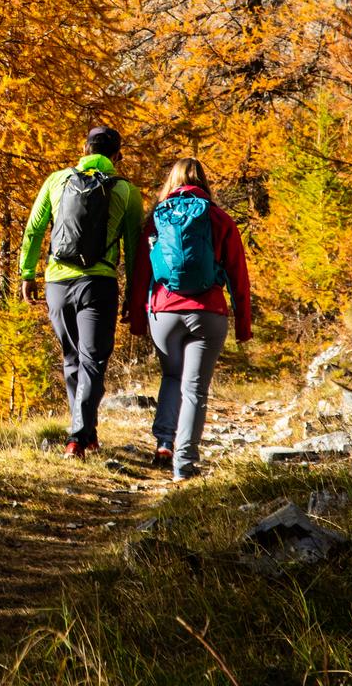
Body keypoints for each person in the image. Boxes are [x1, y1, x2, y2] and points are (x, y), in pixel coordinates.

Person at [19, 126, 144, 459]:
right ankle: (78, 436)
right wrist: (133, 294)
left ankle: (86, 435)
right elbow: (134, 250)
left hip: (57, 283)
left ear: (84, 149)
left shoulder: (56, 181)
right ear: (117, 156)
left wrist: (28, 273)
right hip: (98, 285)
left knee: (72, 360)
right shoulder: (127, 192)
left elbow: (33, 231)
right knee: (94, 362)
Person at [125, 158, 253, 481]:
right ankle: (184, 464)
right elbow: (239, 276)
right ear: (204, 182)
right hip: (208, 313)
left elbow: (142, 273)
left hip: (164, 313)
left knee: (171, 377)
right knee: (195, 388)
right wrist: (243, 325)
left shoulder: (157, 218)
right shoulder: (219, 218)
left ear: (172, 181)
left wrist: (139, 321)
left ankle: (164, 443)